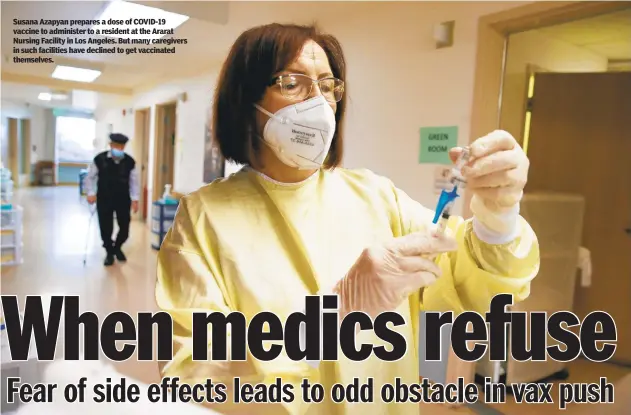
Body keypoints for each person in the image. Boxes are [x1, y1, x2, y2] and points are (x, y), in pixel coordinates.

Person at [155, 23, 540, 415]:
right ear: (246, 98)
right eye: (292, 83)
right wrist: (333, 316)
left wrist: (498, 213)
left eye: (327, 85)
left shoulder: (377, 196)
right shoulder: (201, 221)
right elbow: (198, 376)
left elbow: (472, 281)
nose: (319, 103)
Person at [85, 133, 139, 266]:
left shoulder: (130, 162)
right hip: (104, 197)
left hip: (123, 198)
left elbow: (134, 182)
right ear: (110, 145)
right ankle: (110, 252)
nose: (118, 148)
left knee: (125, 228)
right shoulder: (99, 159)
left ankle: (117, 247)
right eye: (116, 145)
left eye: (121, 146)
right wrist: (91, 193)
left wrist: (135, 199)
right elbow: (89, 177)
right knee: (105, 227)